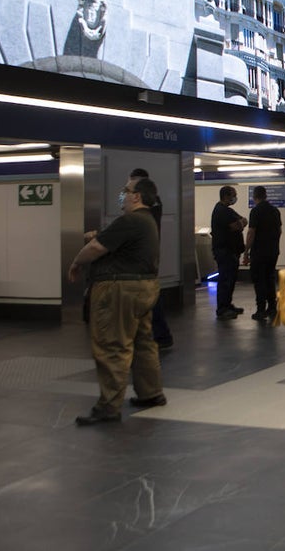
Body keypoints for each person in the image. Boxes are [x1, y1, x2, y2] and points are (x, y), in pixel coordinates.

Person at [67, 177, 164, 425]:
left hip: (119, 290)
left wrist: (77, 262)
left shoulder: (130, 220)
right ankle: (151, 393)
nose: (122, 194)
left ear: (137, 196)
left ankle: (108, 406)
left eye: (126, 191)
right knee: (143, 343)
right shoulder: (148, 221)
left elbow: (96, 249)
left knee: (112, 345)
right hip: (144, 289)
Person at [129, 168, 173, 350]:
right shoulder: (153, 200)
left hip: (145, 253)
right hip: (147, 251)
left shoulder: (152, 201)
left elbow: (125, 208)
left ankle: (161, 334)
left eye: (132, 183)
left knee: (150, 293)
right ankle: (155, 334)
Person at [243, 186, 282, 322]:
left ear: (255, 197)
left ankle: (260, 310)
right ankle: (272, 308)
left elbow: (251, 232)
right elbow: (279, 230)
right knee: (270, 279)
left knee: (259, 281)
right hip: (273, 251)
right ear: (266, 195)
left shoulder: (255, 211)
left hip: (259, 252)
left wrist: (246, 252)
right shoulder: (275, 211)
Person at [210, 185, 247, 320]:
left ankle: (227, 304)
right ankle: (222, 308)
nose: (235, 198)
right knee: (225, 280)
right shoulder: (222, 211)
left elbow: (243, 220)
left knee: (230, 280)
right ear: (226, 196)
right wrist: (240, 223)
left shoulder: (227, 210)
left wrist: (240, 223)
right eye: (233, 195)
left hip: (231, 251)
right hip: (224, 251)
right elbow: (237, 224)